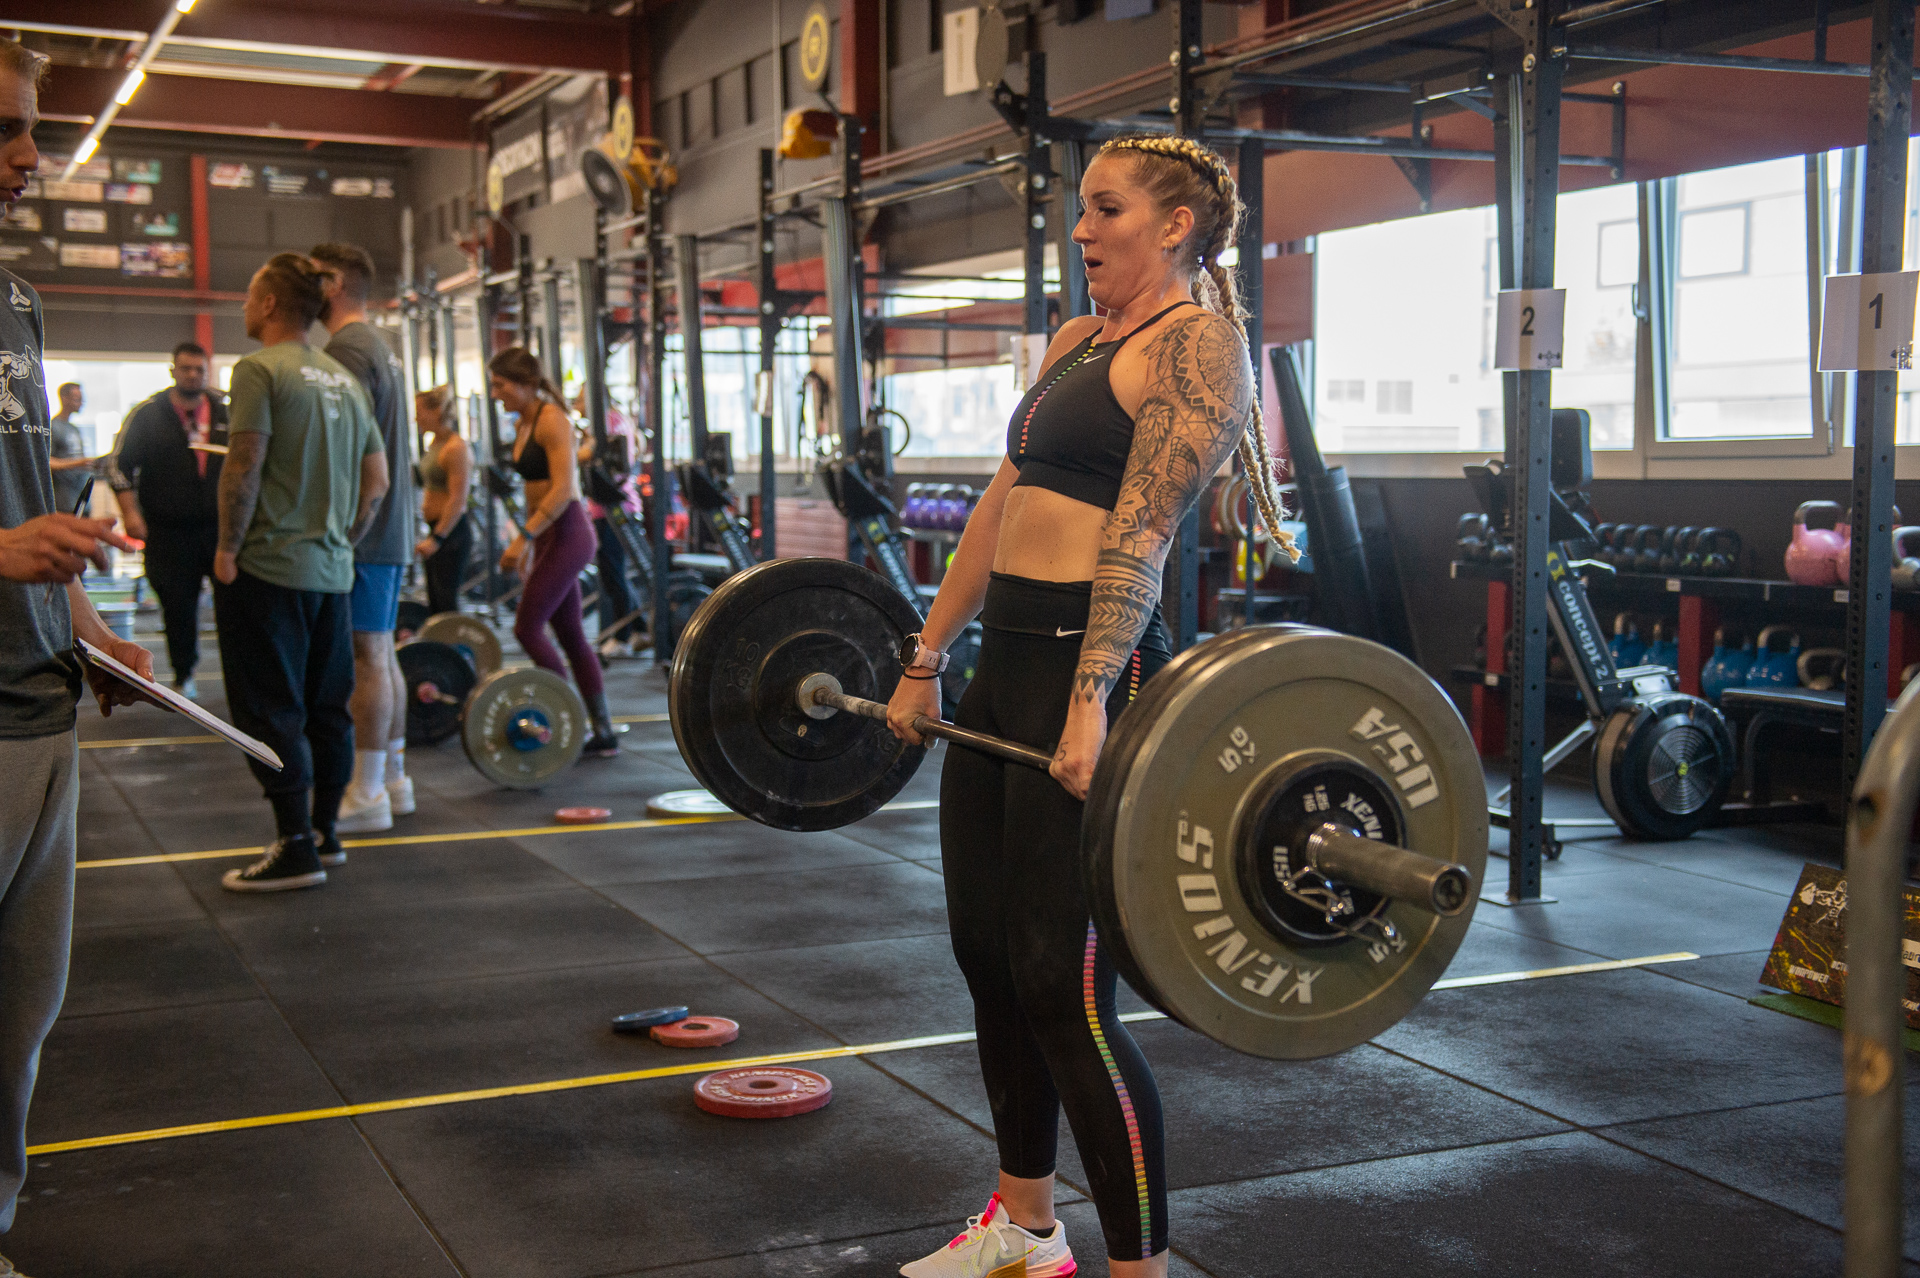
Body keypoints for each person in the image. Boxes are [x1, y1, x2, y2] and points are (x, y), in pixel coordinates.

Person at [884, 135, 1289, 1278]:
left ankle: (1137, 1268)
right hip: (1003, 667)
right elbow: (997, 509)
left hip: (1092, 670)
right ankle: (1024, 1227)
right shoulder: (1074, 344)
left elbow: (1143, 535)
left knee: (1064, 986)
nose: (1080, 229)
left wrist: (1092, 701)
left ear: (1173, 225)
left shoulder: (1198, 345)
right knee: (987, 958)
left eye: (1103, 209)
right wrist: (925, 658)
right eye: (1079, 210)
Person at [0, 40, 158, 1278]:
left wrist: (87, 628)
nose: (31, 155)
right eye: (7, 126)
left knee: (18, 1025)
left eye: (34, 126)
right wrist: (4, 552)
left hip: (40, 705)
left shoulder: (15, 298)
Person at [213, 253, 388, 893]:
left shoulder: (258, 370)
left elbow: (244, 463)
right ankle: (325, 834)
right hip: (331, 573)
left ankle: (293, 846)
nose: (241, 307)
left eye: (248, 295)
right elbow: (379, 482)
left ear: (266, 305)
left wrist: (228, 548)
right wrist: (343, 541)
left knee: (269, 709)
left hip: (268, 569)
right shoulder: (344, 378)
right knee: (325, 709)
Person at [310, 242, 414, 832]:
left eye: (315, 277)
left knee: (367, 655)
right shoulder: (379, 345)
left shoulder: (348, 348)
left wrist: (343, 531)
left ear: (336, 284)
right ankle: (393, 780)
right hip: (389, 528)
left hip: (367, 532)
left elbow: (345, 448)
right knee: (383, 653)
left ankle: (367, 791)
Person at [490, 347, 618, 756]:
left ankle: (569, 720)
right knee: (570, 633)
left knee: (526, 628)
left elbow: (564, 489)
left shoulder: (552, 419)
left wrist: (522, 539)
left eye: (501, 385)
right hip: (548, 536)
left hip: (569, 534)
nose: (495, 393)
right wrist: (531, 542)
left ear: (526, 384)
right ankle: (603, 732)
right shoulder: (525, 421)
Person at [108, 342, 227, 696]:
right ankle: (183, 674)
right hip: (168, 531)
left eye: (199, 369)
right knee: (178, 605)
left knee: (238, 605)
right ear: (173, 370)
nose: (192, 375)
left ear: (207, 372)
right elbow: (118, 466)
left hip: (221, 529)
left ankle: (242, 678)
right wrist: (130, 512)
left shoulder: (226, 412)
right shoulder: (148, 415)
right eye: (185, 368)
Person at [572, 390, 642, 659]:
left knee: (614, 574)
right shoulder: (601, 425)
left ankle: (623, 638)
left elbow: (585, 454)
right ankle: (639, 630)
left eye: (579, 399)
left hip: (617, 508)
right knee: (612, 574)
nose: (577, 405)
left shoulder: (610, 422)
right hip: (603, 508)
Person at [414, 384, 472, 617]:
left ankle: (452, 652)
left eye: (420, 411)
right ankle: (439, 651)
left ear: (437, 411)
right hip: (436, 529)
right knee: (435, 604)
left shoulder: (456, 448)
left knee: (446, 604)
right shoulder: (434, 445)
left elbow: (458, 500)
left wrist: (437, 538)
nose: (416, 417)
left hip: (451, 533)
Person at [47, 382, 91, 515]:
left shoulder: (74, 429)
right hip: (64, 503)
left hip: (81, 498)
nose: (81, 403)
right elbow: (47, 462)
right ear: (64, 399)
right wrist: (79, 463)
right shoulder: (53, 427)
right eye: (77, 399)